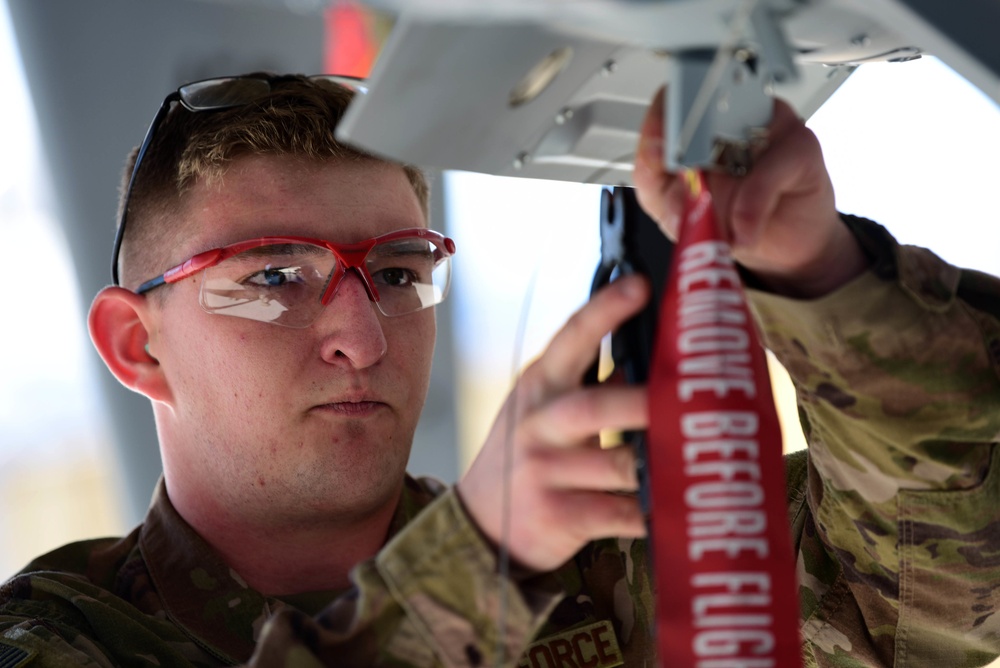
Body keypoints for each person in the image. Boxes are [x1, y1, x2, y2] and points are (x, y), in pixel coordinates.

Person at [0, 71, 998, 668]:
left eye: (396, 270)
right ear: (138, 345)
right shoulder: (63, 636)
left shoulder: (593, 560)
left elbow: (933, 591)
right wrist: (473, 570)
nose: (363, 333)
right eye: (270, 275)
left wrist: (818, 275)